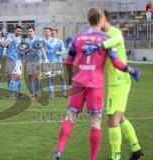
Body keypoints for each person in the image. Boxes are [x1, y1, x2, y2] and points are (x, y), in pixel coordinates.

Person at [52, 7, 140, 160]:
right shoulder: (105, 38)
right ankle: (92, 158)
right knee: (95, 122)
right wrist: (131, 70)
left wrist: (70, 76)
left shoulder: (78, 37)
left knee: (70, 117)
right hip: (95, 85)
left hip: (78, 82)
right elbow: (116, 62)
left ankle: (59, 151)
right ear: (100, 19)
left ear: (88, 19)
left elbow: (68, 60)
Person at [81, 9, 144, 160]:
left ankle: (115, 157)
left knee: (112, 119)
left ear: (103, 18)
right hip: (117, 81)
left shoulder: (115, 32)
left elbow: (114, 41)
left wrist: (97, 47)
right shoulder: (103, 36)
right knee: (120, 117)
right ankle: (136, 149)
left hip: (119, 82)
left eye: (96, 20)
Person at [24, 26, 49, 99]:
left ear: (33, 31)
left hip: (37, 61)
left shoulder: (38, 39)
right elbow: (24, 51)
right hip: (29, 61)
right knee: (30, 78)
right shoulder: (26, 41)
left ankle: (37, 90)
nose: (30, 33)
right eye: (28, 31)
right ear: (27, 32)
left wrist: (46, 59)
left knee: (37, 77)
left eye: (31, 31)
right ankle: (32, 94)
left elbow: (42, 49)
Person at [5, 25, 24, 99]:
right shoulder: (10, 36)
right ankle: (11, 94)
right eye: (17, 31)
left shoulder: (20, 39)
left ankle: (19, 93)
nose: (18, 32)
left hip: (18, 60)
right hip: (11, 59)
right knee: (14, 76)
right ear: (14, 30)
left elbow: (20, 50)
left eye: (20, 31)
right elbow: (7, 44)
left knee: (19, 77)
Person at [42, 27, 58, 99]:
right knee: (48, 77)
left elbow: (51, 46)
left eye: (47, 31)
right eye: (45, 31)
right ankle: (51, 94)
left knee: (52, 78)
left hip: (53, 61)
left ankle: (52, 92)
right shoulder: (42, 40)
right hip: (45, 61)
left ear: (50, 33)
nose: (46, 33)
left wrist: (44, 41)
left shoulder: (54, 40)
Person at [51, 28, 67, 97]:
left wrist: (59, 52)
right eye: (51, 33)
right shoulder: (48, 42)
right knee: (51, 78)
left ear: (56, 34)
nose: (52, 34)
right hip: (51, 63)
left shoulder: (60, 42)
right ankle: (52, 93)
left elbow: (63, 50)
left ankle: (64, 92)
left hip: (58, 62)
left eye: (53, 33)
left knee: (62, 77)